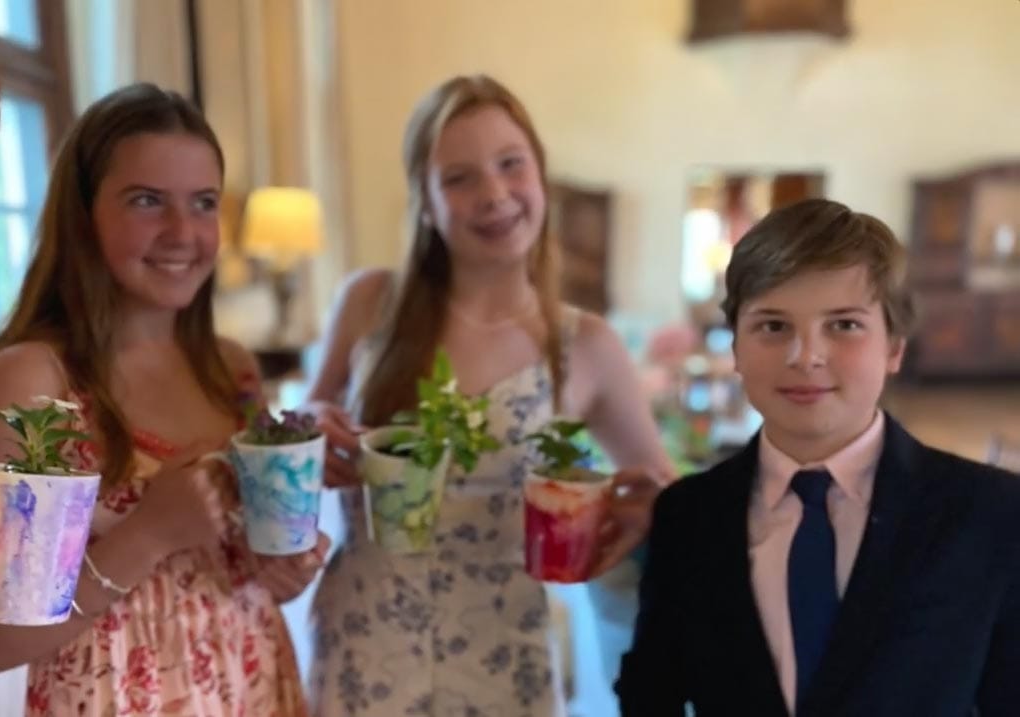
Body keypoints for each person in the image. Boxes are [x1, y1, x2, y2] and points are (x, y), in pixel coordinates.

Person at [0, 83, 327, 717]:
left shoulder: (231, 370)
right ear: (83, 216)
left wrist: (283, 566)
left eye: (203, 203)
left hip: (255, 687)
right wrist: (147, 534)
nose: (183, 232)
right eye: (147, 201)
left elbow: (249, 577)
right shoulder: (35, 385)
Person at [304, 74, 674, 716]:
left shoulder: (586, 345)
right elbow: (302, 419)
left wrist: (644, 511)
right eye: (459, 177)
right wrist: (311, 425)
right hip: (364, 637)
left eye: (511, 165)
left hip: (506, 649)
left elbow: (665, 494)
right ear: (424, 200)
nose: (495, 194)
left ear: (540, 177)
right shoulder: (369, 304)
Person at [616, 198, 1020, 716]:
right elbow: (653, 689)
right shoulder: (688, 515)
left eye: (844, 325)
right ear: (735, 346)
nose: (805, 355)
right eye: (773, 326)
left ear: (894, 346)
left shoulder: (989, 512)